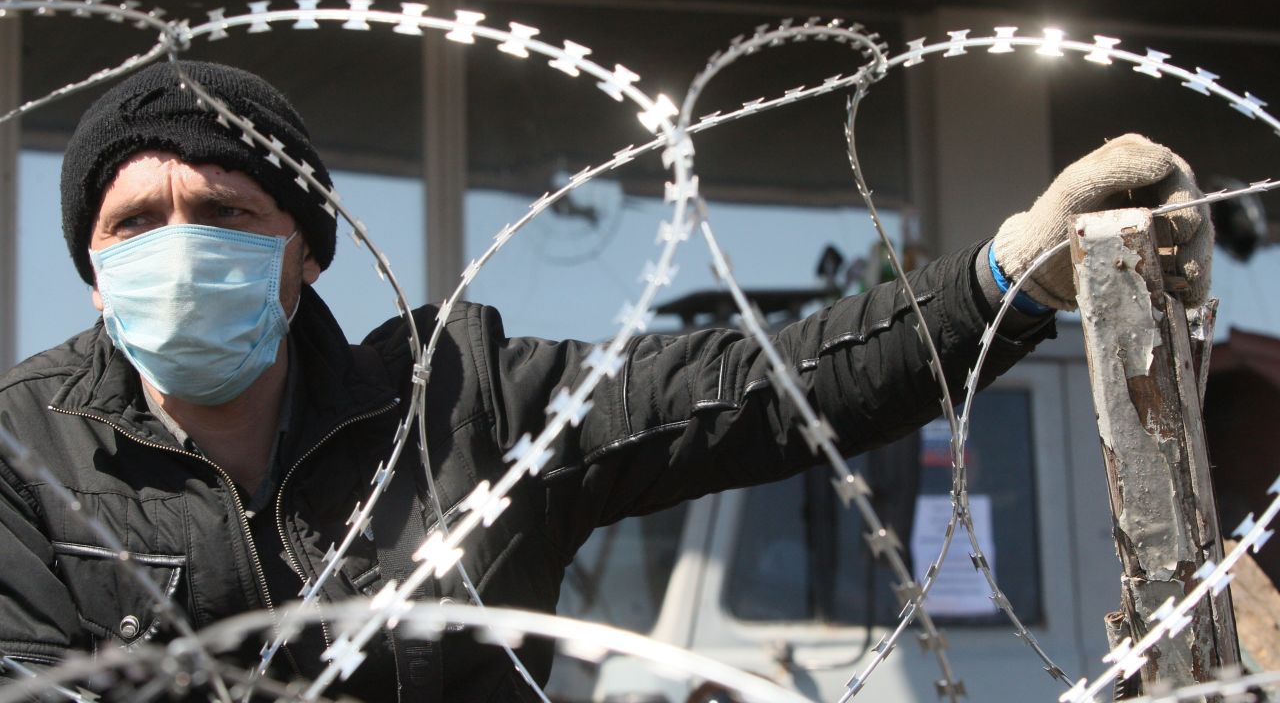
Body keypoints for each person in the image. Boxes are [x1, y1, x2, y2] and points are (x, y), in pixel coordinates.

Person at [0, 61, 1211, 701]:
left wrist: (1005, 277)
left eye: (221, 211)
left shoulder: (461, 406)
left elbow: (760, 386)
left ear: (304, 251)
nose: (178, 246)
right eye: (135, 224)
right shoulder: (25, 458)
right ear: (93, 272)